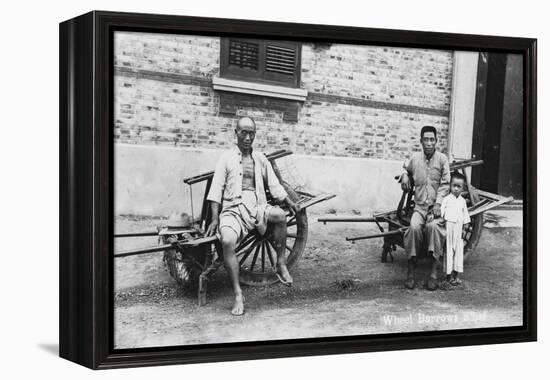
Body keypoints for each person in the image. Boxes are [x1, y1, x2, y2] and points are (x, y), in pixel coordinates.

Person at [205, 116, 301, 315]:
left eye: (251, 133)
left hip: (257, 207)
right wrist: (215, 218)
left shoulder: (260, 159)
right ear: (236, 134)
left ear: (255, 135)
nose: (248, 137)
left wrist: (289, 202)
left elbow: (275, 185)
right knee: (228, 241)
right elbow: (216, 189)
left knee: (280, 216)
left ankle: (281, 263)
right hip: (234, 209)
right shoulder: (226, 158)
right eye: (244, 133)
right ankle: (238, 294)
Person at [399, 125, 450, 290]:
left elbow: (446, 184)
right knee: (413, 228)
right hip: (419, 208)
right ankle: (411, 271)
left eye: (432, 140)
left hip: (436, 208)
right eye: (426, 139)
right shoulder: (415, 158)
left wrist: (439, 203)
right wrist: (405, 175)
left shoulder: (442, 160)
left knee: (434, 227)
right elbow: (406, 167)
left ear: (436, 142)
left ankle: (434, 272)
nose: (429, 143)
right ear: (421, 141)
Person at [440, 172, 471, 285]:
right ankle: (448, 276)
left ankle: (456, 275)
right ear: (450, 186)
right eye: (454, 186)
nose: (456, 189)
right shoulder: (447, 199)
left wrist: (464, 228)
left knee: (458, 251)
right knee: (448, 251)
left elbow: (465, 216)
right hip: (449, 227)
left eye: (459, 187)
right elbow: (441, 213)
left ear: (462, 188)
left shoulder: (462, 201)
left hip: (458, 228)